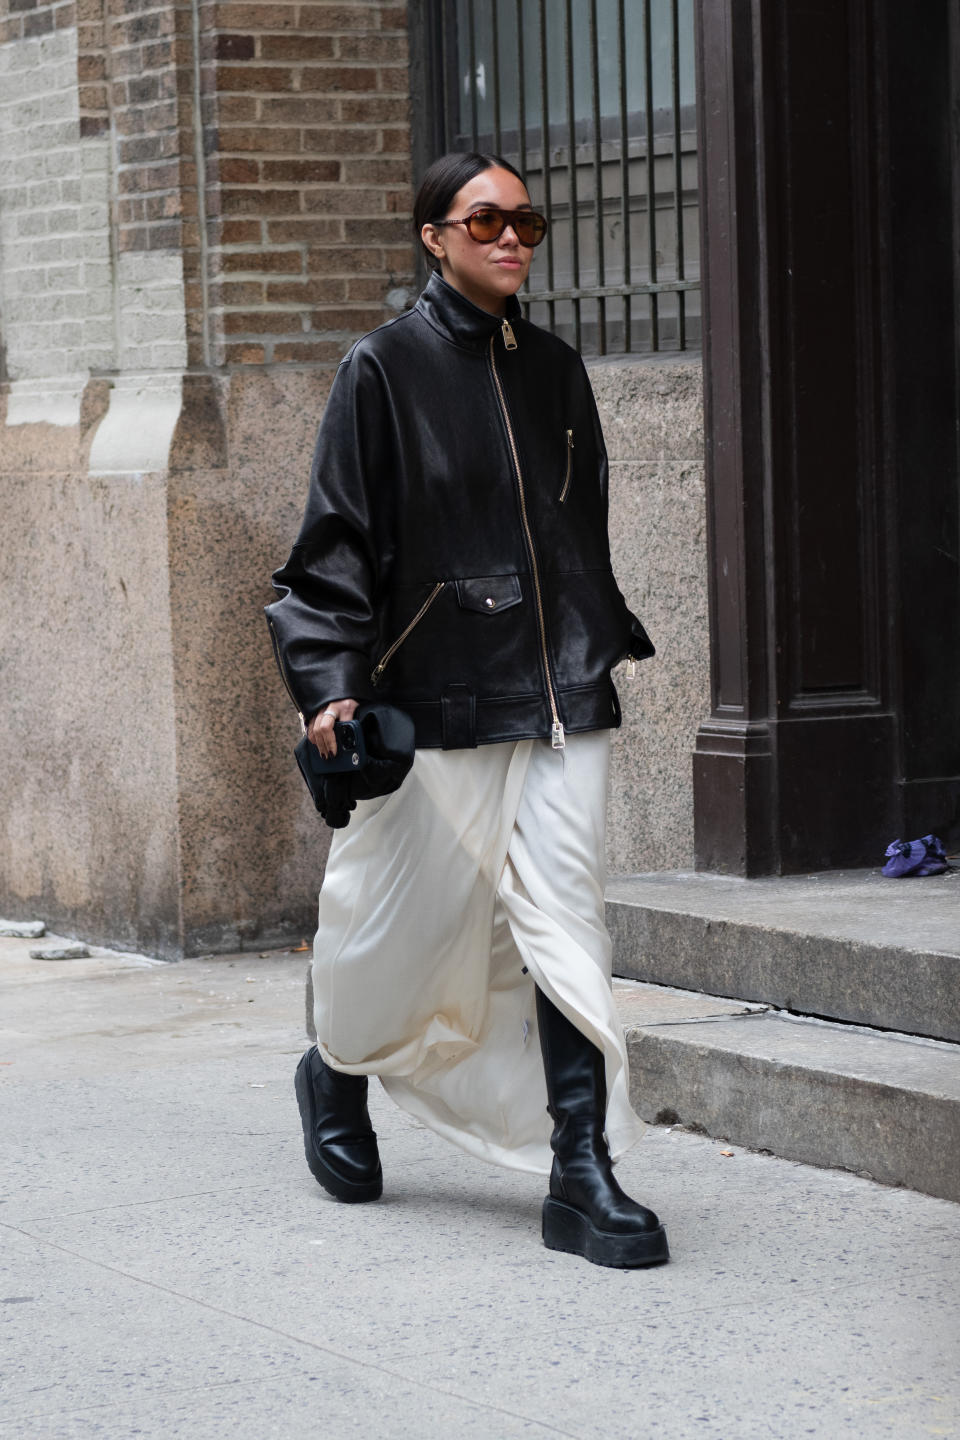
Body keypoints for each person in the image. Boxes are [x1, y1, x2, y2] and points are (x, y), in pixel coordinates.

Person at [266, 151, 669, 1269]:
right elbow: (330, 550)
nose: (511, 238)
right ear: (432, 237)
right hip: (433, 690)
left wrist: (589, 633)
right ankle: (335, 1067)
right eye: (485, 219)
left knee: (563, 919)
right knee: (394, 926)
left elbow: (574, 528)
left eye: (527, 221)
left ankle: (581, 1171)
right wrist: (332, 688)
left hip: (560, 691)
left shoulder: (555, 369)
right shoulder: (380, 370)